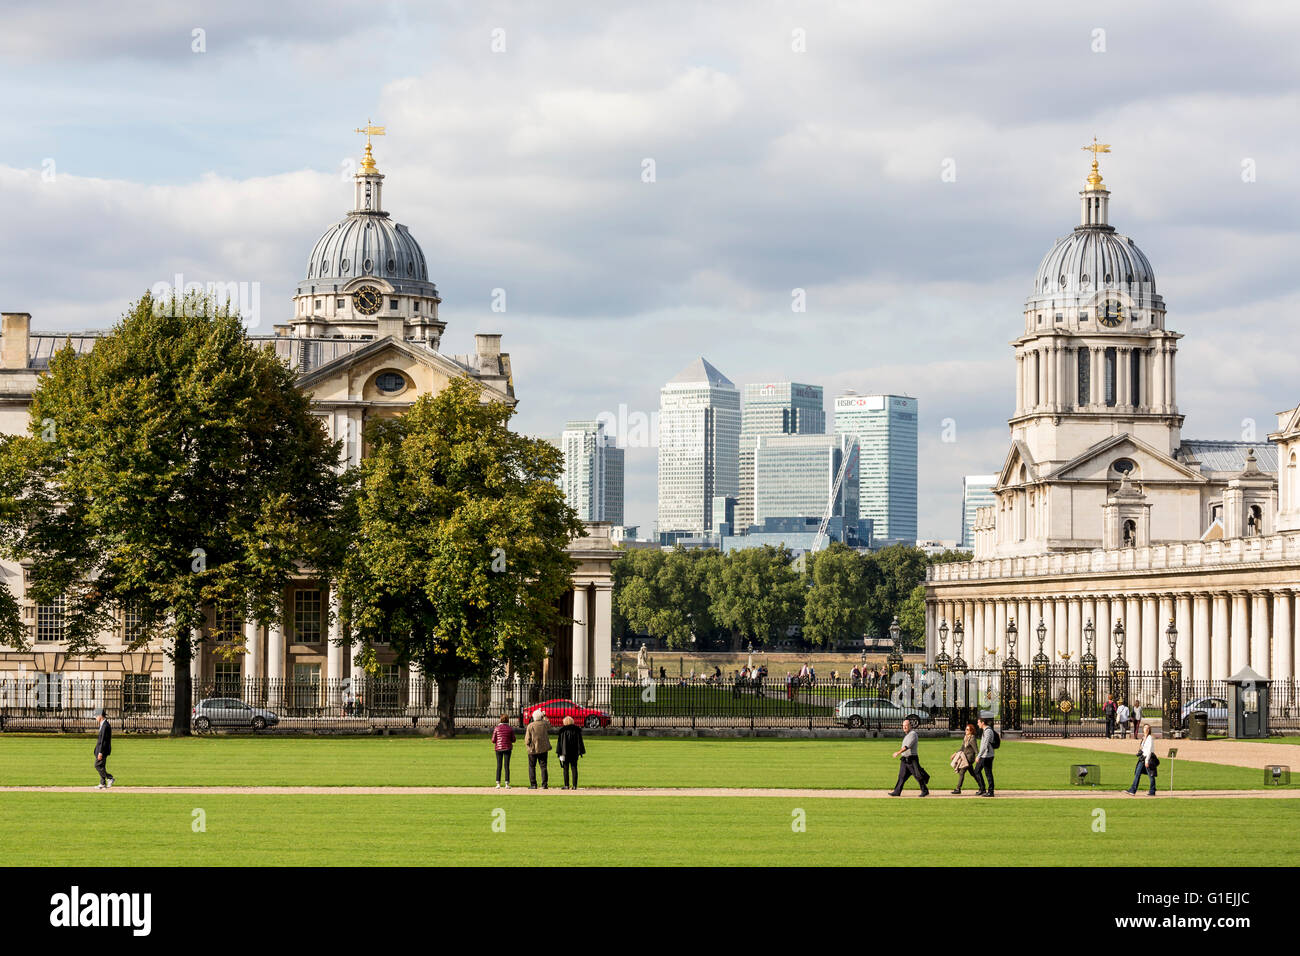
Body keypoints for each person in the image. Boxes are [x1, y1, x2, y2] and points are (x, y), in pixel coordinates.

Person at [888, 718, 930, 796]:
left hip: (912, 759)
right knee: (901, 776)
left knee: (918, 775)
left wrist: (898, 752)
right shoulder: (907, 735)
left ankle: (925, 790)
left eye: (906, 726)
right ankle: (897, 792)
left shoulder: (913, 734)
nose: (904, 727)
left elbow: (907, 746)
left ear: (910, 726)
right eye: (903, 726)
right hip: (904, 760)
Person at [1125, 724, 1158, 796]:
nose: (1146, 729)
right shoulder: (1144, 738)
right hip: (1142, 758)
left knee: (1151, 775)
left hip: (1148, 758)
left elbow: (1149, 750)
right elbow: (1143, 749)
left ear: (1149, 730)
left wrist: (1147, 761)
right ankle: (1132, 790)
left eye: (1147, 728)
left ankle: (1152, 791)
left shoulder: (1150, 738)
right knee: (1137, 773)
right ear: (1143, 729)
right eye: (1145, 728)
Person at [950, 722, 980, 795]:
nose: (966, 731)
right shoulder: (966, 737)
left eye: (967, 730)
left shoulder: (972, 739)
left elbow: (976, 750)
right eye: (966, 729)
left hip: (969, 758)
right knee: (973, 773)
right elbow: (962, 748)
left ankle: (958, 789)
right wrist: (955, 753)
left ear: (971, 731)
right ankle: (981, 786)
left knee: (962, 772)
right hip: (965, 757)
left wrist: (978, 756)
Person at [556, 715, 586, 789]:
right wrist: (580, 751)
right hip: (574, 752)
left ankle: (566, 785)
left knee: (565, 769)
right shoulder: (577, 730)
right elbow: (580, 742)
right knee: (574, 768)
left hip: (565, 752)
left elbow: (560, 743)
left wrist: (559, 753)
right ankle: (574, 785)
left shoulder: (562, 731)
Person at [525, 709, 551, 789]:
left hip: (533, 749)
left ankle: (533, 784)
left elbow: (527, 739)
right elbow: (549, 724)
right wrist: (544, 716)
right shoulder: (544, 724)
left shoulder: (531, 725)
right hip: (543, 748)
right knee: (543, 766)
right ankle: (544, 784)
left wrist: (527, 745)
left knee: (532, 767)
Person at [973, 715, 996, 797]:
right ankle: (982, 789)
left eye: (978, 722)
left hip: (987, 755)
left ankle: (990, 791)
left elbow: (985, 745)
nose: (977, 724)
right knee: (977, 771)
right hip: (984, 755)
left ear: (982, 723)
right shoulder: (985, 730)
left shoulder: (988, 731)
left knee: (988, 773)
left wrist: (978, 756)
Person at [491, 714, 515, 789]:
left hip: (498, 748)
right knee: (506, 766)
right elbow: (513, 739)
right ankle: (507, 783)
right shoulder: (510, 728)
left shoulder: (497, 728)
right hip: (507, 748)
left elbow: (493, 740)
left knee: (499, 765)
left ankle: (498, 783)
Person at [93, 708, 114, 789]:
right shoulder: (103, 724)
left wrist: (100, 752)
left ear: (100, 716)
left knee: (97, 765)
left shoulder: (105, 726)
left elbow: (103, 740)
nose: (95, 718)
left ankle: (110, 777)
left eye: (96, 716)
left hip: (103, 750)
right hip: (102, 749)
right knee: (102, 766)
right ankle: (102, 783)